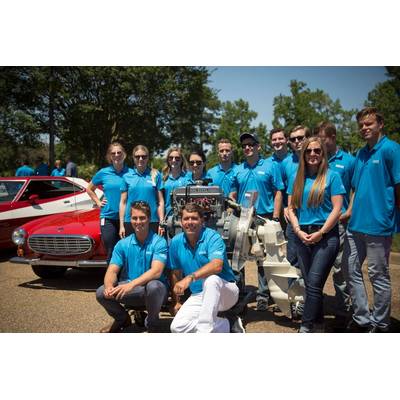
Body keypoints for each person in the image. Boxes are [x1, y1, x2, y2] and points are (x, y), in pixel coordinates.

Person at [343, 107, 400, 333]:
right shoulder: (361, 153)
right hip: (355, 225)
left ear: (380, 124)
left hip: (379, 225)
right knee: (350, 270)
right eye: (361, 125)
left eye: (369, 124)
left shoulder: (391, 149)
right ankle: (362, 319)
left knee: (378, 275)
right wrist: (348, 211)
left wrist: (391, 216)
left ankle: (380, 324)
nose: (364, 128)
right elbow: (355, 189)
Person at [287, 137, 345, 333]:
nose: (313, 154)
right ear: (303, 154)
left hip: (326, 237)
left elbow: (337, 210)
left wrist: (321, 232)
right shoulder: (297, 178)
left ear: (323, 154)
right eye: (309, 151)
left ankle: (305, 325)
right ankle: (319, 324)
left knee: (313, 283)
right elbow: (291, 208)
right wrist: (297, 230)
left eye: (317, 151)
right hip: (301, 235)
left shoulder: (333, 176)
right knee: (313, 285)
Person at [230, 131, 284, 311]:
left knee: (264, 258)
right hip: (243, 218)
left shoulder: (270, 166)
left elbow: (278, 191)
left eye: (251, 144)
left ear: (258, 146)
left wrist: (275, 218)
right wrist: (233, 209)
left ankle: (263, 295)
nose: (247, 147)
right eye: (244, 145)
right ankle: (240, 291)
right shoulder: (237, 169)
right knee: (239, 255)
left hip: (264, 217)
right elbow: (232, 193)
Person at [168, 203, 243, 333]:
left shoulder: (212, 237)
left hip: (225, 291)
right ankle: (228, 324)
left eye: (194, 218)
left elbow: (217, 265)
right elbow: (175, 272)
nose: (190, 222)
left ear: (202, 221)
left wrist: (190, 278)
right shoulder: (176, 242)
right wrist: (177, 301)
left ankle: (204, 331)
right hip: (199, 294)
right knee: (177, 327)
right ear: (181, 222)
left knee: (212, 280)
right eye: (186, 219)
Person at [96, 201, 168, 333]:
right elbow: (112, 270)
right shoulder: (122, 244)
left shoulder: (159, 242)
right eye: (134, 218)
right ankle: (122, 319)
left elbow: (156, 271)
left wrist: (131, 285)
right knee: (101, 292)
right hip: (131, 290)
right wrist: (109, 286)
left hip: (153, 292)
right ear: (130, 219)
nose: (138, 221)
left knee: (154, 286)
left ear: (149, 219)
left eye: (142, 218)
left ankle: (152, 324)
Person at [316, 121, 355, 323]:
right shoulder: (317, 160)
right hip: (319, 223)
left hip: (340, 223)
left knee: (341, 270)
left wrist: (349, 210)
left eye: (322, 138)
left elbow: (356, 187)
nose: (319, 143)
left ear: (332, 137)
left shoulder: (348, 161)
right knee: (317, 269)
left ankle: (342, 312)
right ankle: (315, 309)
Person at [86, 142, 131, 263]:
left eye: (119, 152)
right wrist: (98, 202)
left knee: (126, 251)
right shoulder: (103, 172)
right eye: (113, 153)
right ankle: (111, 281)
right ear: (110, 157)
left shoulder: (131, 173)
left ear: (124, 155)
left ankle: (126, 280)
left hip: (127, 218)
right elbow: (89, 189)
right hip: (108, 217)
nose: (116, 155)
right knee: (111, 251)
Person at [119, 145, 165, 238]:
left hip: (152, 220)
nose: (140, 159)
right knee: (132, 250)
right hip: (131, 220)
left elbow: (160, 201)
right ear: (133, 158)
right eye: (137, 156)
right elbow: (123, 202)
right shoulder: (126, 176)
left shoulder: (155, 175)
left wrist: (161, 222)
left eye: (144, 156)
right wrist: (121, 225)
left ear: (148, 158)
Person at [161, 147, 190, 218]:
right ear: (168, 160)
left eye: (177, 158)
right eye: (171, 158)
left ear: (181, 160)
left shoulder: (187, 178)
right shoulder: (163, 177)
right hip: (166, 216)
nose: (174, 160)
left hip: (183, 216)